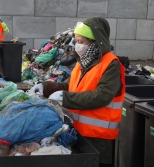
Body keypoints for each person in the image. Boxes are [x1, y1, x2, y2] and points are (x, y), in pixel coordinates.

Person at [29, 17, 126, 167]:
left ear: (95, 42)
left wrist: (66, 99)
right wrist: (46, 87)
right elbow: (69, 86)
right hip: (78, 132)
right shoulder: (84, 62)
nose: (76, 45)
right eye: (76, 40)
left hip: (99, 137)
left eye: (81, 42)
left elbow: (102, 96)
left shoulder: (111, 64)